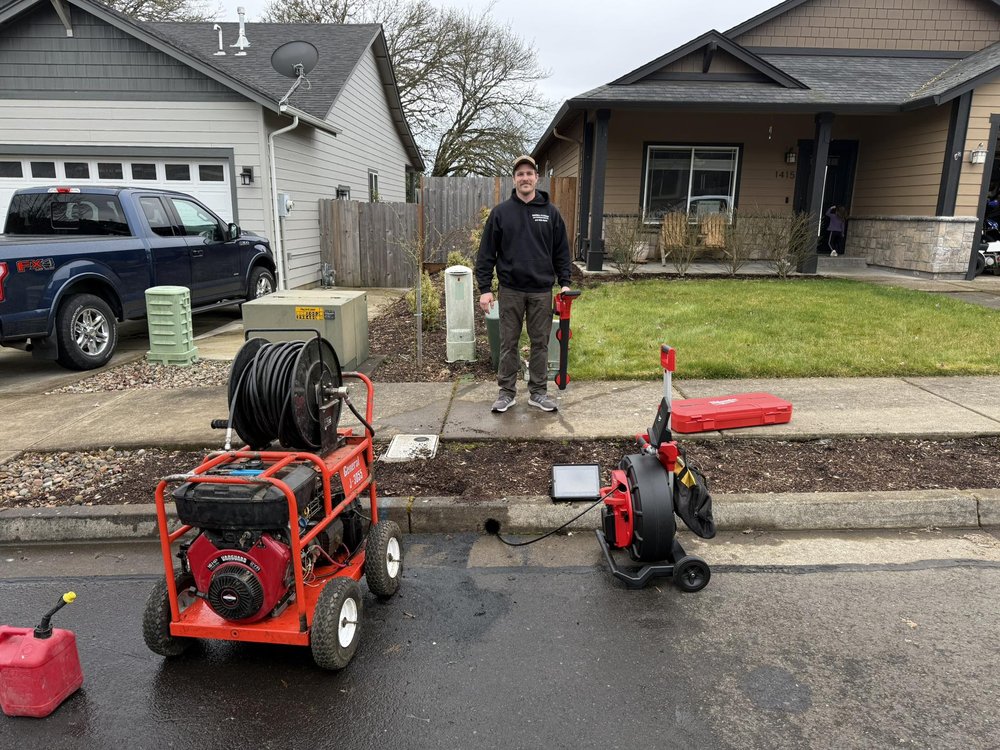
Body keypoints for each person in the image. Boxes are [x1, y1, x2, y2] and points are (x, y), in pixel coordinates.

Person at [476, 155, 572, 413]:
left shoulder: (551, 213)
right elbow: (486, 254)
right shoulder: (501, 213)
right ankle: (506, 392)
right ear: (514, 179)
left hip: (541, 290)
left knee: (540, 343)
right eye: (520, 174)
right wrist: (485, 289)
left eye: (529, 173)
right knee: (509, 342)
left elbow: (561, 252)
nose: (525, 178)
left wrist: (564, 283)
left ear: (536, 178)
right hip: (511, 290)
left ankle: (538, 392)